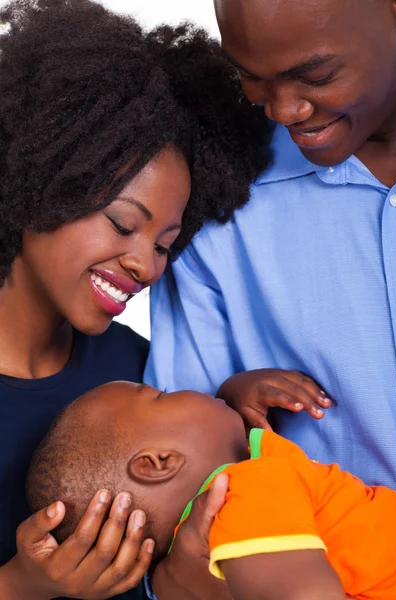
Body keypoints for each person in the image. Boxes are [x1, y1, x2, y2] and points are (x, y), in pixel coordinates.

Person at [0, 1, 269, 598]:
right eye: (124, 224)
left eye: (167, 244)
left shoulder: (135, 367)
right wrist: (20, 584)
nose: (146, 265)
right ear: (41, 177)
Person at [145, 0, 396, 490]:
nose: (284, 110)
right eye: (250, 76)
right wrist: (229, 402)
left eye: (319, 75)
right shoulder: (215, 204)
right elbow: (177, 480)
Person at [27, 380, 396, 600]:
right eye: (163, 394)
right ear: (158, 463)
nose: (191, 387)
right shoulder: (245, 492)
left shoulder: (218, 541)